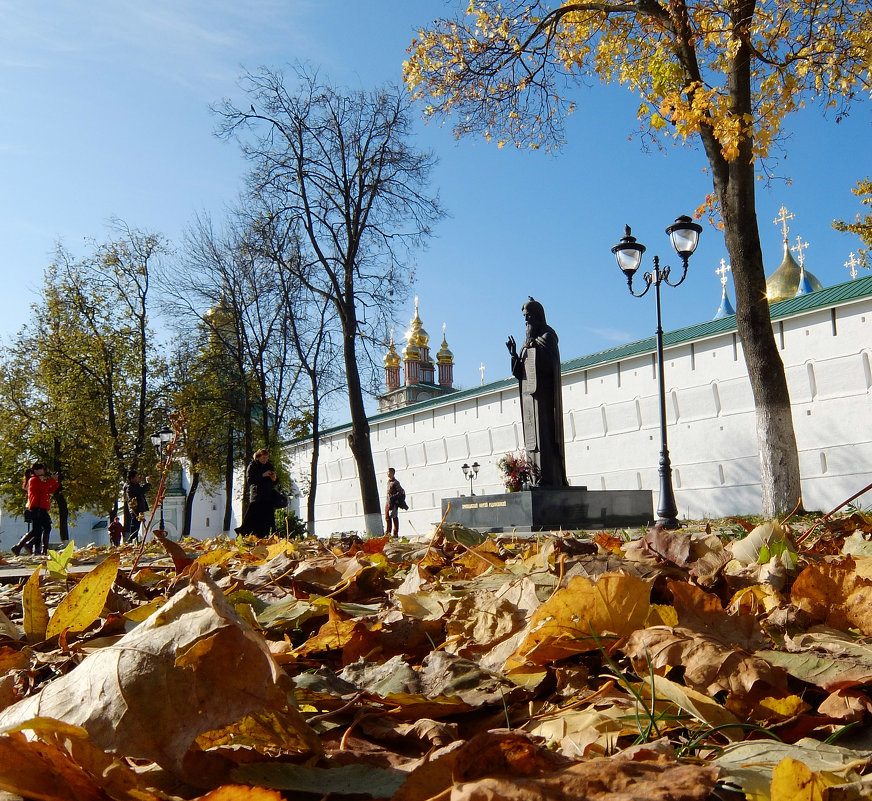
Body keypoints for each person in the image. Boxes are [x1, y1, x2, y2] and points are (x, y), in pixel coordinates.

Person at [506, 297, 568, 488]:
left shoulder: (547, 337)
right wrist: (515, 354)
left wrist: (533, 347)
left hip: (544, 399)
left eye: (529, 316)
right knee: (532, 441)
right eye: (524, 317)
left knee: (545, 438)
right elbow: (519, 373)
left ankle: (548, 478)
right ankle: (534, 477)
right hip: (529, 400)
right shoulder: (527, 342)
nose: (526, 321)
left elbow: (550, 364)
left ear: (538, 316)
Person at [12, 463, 61, 556]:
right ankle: (32, 548)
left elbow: (48, 490)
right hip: (37, 508)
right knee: (38, 530)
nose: (44, 472)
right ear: (36, 471)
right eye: (42, 470)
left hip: (42, 508)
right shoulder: (33, 480)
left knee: (42, 529)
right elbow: (44, 487)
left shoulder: (39, 480)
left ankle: (34, 548)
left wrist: (56, 482)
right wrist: (52, 480)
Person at [235, 449, 277, 537]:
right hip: (257, 496)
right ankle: (244, 534)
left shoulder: (269, 466)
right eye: (263, 458)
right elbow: (250, 480)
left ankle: (269, 536)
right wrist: (262, 475)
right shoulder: (253, 466)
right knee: (251, 519)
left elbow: (274, 482)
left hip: (268, 496)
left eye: (266, 458)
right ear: (258, 457)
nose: (265, 460)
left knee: (269, 519)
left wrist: (274, 479)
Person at [123, 471, 151, 543]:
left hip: (138, 508)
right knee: (135, 525)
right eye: (136, 476)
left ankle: (134, 540)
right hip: (135, 509)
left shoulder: (135, 485)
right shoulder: (131, 487)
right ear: (132, 478)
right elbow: (141, 491)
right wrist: (147, 483)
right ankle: (132, 540)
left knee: (137, 525)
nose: (138, 478)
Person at [384, 467, 406, 537]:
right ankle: (388, 533)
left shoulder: (395, 482)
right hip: (388, 502)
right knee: (387, 518)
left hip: (393, 503)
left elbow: (401, 491)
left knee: (394, 517)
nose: (388, 473)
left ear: (392, 473)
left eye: (389, 472)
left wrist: (393, 497)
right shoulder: (388, 482)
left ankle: (395, 533)